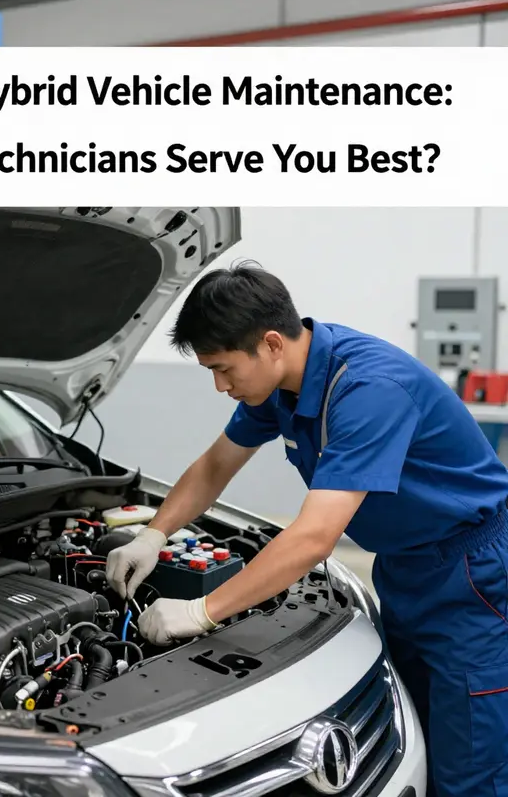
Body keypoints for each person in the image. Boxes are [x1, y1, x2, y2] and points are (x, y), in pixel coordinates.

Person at [105, 261, 508, 797]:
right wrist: (153, 535)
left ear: (271, 343)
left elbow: (315, 536)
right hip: (403, 565)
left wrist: (201, 611)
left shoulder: (369, 389)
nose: (220, 387)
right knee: (412, 736)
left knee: (470, 765)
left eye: (224, 369)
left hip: (470, 576)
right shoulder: (281, 385)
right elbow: (215, 465)